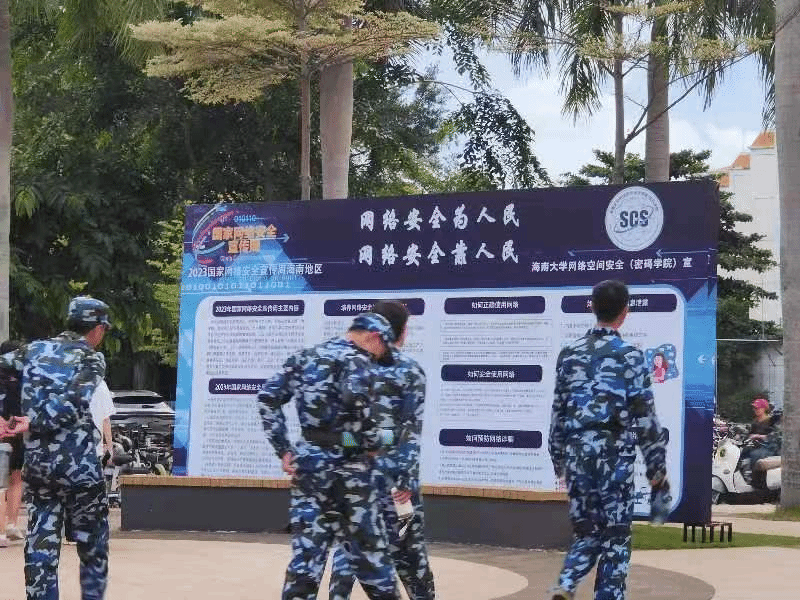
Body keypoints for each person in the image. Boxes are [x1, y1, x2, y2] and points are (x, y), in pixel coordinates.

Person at [257, 312, 402, 600]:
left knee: (305, 563)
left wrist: (283, 449)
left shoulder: (305, 357)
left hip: (309, 468)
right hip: (353, 478)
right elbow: (369, 431)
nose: (382, 355)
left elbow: (267, 398)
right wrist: (387, 439)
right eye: (384, 348)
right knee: (373, 564)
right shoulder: (364, 365)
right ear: (374, 337)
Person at [548, 280, 668, 600]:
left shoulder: (569, 354)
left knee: (586, 533)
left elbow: (558, 411)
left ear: (592, 306)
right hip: (614, 457)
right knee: (615, 538)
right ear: (625, 312)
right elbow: (645, 418)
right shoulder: (630, 356)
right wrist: (657, 470)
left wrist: (558, 460)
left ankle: (565, 583)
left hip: (577, 456)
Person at [0, 296, 111, 600]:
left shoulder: (33, 351)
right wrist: (32, 421)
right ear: (98, 328)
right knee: (92, 548)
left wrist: (5, 412)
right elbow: (74, 403)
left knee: (41, 545)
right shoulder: (91, 358)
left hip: (40, 467)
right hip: (81, 469)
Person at [329, 300, 435, 600]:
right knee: (411, 558)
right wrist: (405, 479)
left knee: (349, 554)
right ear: (399, 331)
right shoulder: (409, 371)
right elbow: (410, 431)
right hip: (393, 482)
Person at [0, 340, 25, 548]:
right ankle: (11, 523)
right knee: (16, 477)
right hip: (16, 429)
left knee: (1, 484)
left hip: (3, 430)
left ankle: (2, 530)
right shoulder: (23, 379)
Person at [742, 398, 780, 488]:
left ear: (764, 409)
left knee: (755, 455)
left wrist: (759, 436)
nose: (755, 410)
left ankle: (757, 482)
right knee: (741, 453)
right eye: (754, 408)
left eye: (757, 408)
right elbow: (749, 434)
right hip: (756, 446)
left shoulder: (771, 421)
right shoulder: (755, 421)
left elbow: (775, 436)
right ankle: (742, 478)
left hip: (769, 447)